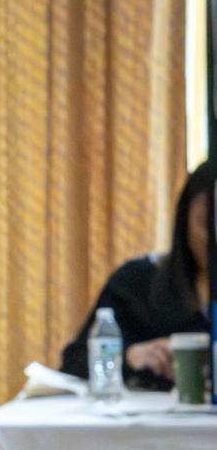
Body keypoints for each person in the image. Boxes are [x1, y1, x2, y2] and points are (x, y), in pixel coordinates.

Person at [60, 160, 215, 390]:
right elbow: (75, 361)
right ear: (185, 218)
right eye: (207, 223)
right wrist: (132, 356)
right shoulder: (136, 282)